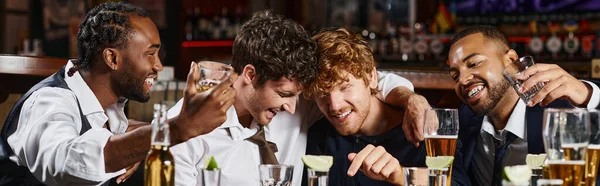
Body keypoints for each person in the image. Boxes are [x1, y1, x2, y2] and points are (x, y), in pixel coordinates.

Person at [166, 11, 430, 186]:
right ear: (250, 75)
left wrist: (411, 98)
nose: (292, 108)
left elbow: (364, 80)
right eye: (283, 95)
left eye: (299, 96)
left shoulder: (305, 101)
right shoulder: (187, 124)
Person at [0, 2, 236, 185]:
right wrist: (177, 129)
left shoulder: (108, 106)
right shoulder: (49, 102)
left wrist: (133, 146)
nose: (159, 66)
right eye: (150, 54)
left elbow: (114, 133)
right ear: (112, 58)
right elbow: (65, 162)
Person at [447, 25, 600, 185]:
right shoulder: (464, 118)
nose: (463, 80)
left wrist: (588, 94)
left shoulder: (561, 110)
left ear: (511, 60)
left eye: (473, 64)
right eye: (455, 76)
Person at [303, 28, 427, 186]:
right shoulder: (320, 136)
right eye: (322, 93)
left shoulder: (422, 124)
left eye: (345, 87)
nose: (335, 106)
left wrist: (401, 175)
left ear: (372, 77)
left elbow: (458, 182)